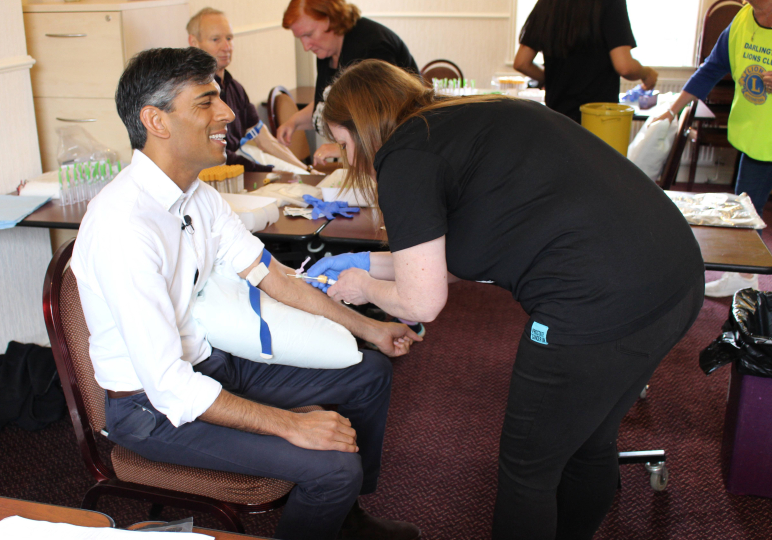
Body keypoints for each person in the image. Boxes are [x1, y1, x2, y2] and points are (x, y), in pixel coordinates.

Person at [306, 59, 704, 540]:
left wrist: (360, 288)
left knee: (527, 470)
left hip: (596, 300)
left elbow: (422, 302)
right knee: (588, 444)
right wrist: (367, 266)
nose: (349, 161)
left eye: (345, 144)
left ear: (365, 126)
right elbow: (441, 262)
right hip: (673, 276)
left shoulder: (404, 156)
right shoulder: (464, 120)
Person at [72, 48, 422, 540]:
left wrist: (371, 327)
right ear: (156, 121)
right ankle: (332, 497)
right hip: (152, 409)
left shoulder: (198, 196)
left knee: (369, 374)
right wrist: (290, 425)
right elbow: (170, 386)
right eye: (205, 102)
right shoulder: (124, 227)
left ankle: (342, 517)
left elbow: (274, 278)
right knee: (333, 468)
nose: (228, 113)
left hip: (209, 364)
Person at [652, 0, 772, 297]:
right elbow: (712, 69)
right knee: (746, 211)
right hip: (757, 137)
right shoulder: (743, 19)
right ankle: (742, 278)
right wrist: (673, 108)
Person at [278, 0, 418, 168]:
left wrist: (342, 148)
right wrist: (294, 122)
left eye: (308, 34)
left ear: (331, 19)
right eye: (300, 38)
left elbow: (381, 122)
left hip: (403, 156)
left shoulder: (372, 47)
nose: (306, 46)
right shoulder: (327, 51)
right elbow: (325, 104)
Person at [187, 8, 313, 174]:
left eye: (229, 38)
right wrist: (271, 172)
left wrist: (306, 169)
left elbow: (265, 139)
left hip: (243, 169)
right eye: (216, 39)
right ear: (194, 42)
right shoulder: (193, 93)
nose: (226, 47)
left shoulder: (235, 88)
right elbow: (218, 156)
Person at [513, 0, 658, 123]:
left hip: (558, 119)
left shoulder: (549, 3)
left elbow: (521, 62)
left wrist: (550, 78)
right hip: (598, 120)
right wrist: (646, 73)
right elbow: (625, 67)